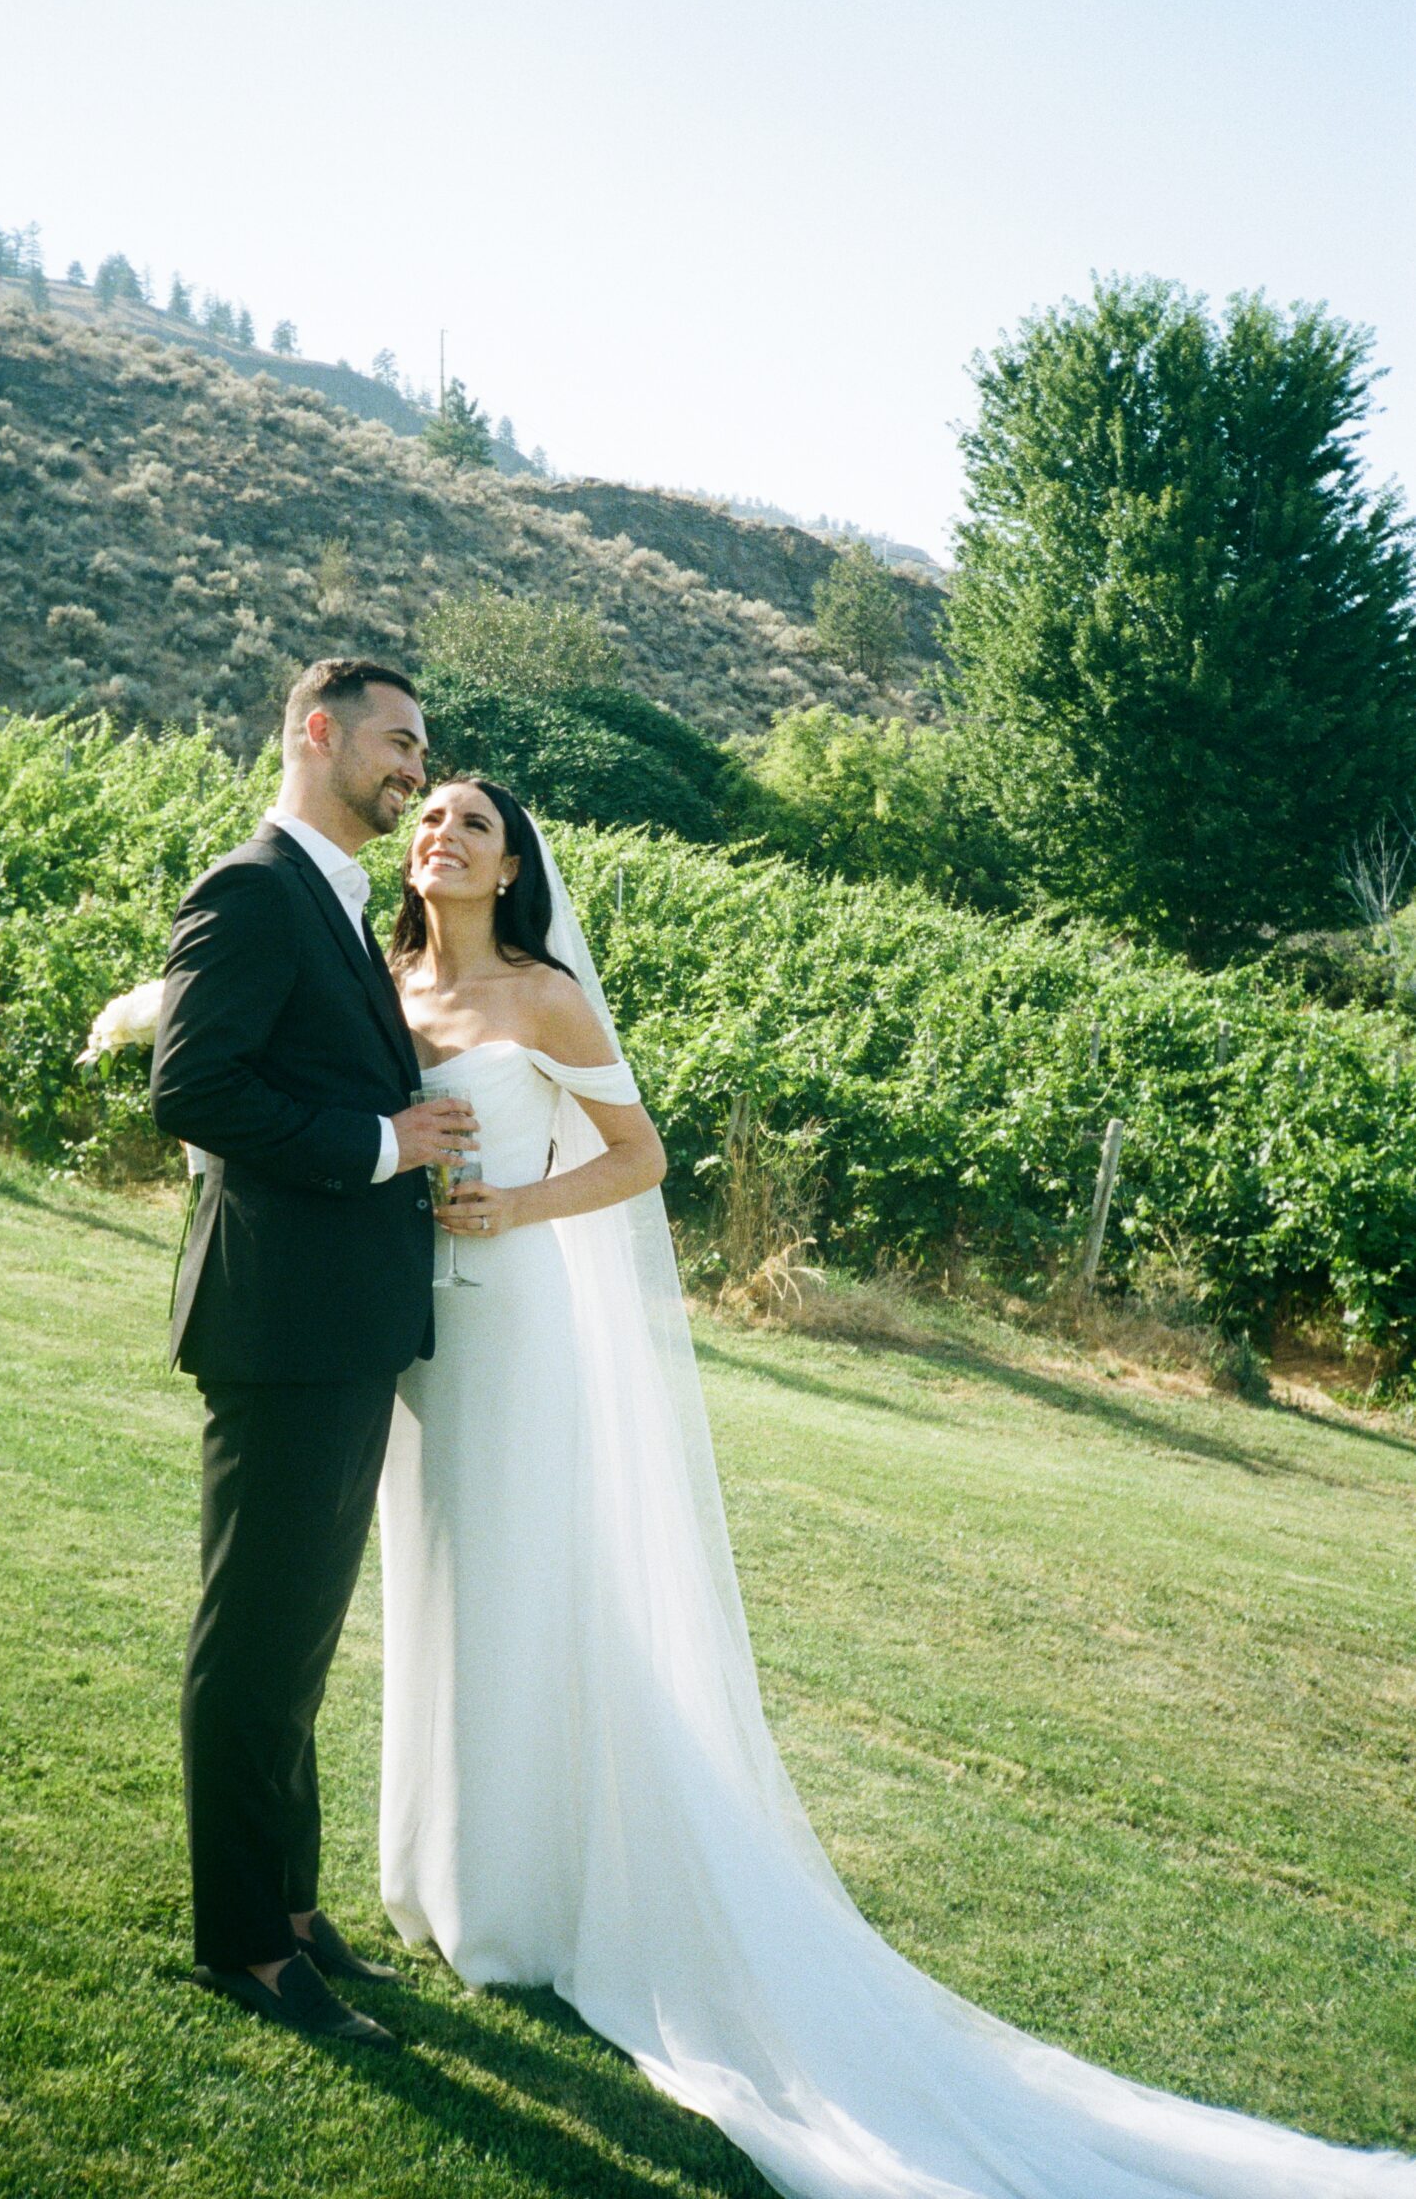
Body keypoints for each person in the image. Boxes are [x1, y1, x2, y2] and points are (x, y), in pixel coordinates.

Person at [378, 776, 1416, 2199]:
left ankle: (520, 1904)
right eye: (428, 813)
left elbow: (639, 1156)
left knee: (519, 1592)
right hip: (408, 1330)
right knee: (433, 1582)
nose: (442, 833)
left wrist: (516, 1204)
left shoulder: (545, 998)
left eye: (472, 826)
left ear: (508, 870)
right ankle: (442, 1872)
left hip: (510, 1321)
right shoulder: (381, 979)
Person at [149, 659, 476, 2050]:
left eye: (420, 752)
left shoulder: (332, 899)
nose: (412, 772)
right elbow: (195, 1088)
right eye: (397, 744)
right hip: (281, 1328)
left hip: (338, 1329)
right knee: (256, 1642)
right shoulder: (251, 886)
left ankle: (287, 1908)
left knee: (296, 1645)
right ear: (316, 732)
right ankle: (240, 1941)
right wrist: (381, 1145)